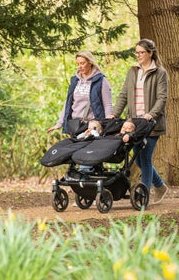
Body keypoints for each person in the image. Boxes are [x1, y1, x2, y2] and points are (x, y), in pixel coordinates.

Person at [110, 39, 169, 205]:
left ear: (150, 53)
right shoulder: (133, 72)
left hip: (151, 123)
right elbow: (123, 95)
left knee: (146, 158)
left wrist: (152, 114)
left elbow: (162, 97)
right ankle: (160, 186)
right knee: (137, 159)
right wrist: (115, 114)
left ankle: (145, 196)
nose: (138, 55)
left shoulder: (160, 73)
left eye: (141, 52)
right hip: (134, 124)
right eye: (136, 53)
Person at [47, 51, 113, 136]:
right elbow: (68, 103)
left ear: (90, 63)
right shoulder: (75, 80)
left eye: (82, 63)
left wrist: (107, 124)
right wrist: (59, 123)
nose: (79, 67)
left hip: (92, 126)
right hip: (75, 125)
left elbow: (107, 104)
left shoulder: (101, 80)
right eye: (78, 64)